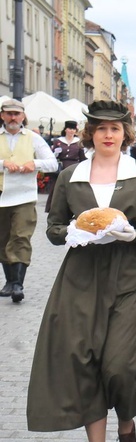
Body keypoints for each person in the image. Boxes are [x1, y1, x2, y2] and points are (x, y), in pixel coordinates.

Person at [26, 100, 136, 442]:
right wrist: (72, 230)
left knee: (119, 366)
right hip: (80, 276)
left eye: (115, 129)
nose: (108, 134)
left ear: (125, 134)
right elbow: (54, 228)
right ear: (91, 133)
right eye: (101, 128)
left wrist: (130, 235)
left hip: (129, 273)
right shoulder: (71, 174)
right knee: (84, 363)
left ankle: (127, 425)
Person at [0, 99, 57, 302]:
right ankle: (9, 280)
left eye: (17, 114)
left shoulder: (33, 138)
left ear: (23, 116)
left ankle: (18, 284)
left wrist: (35, 163)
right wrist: (2, 163)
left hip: (24, 196)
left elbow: (52, 164)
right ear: (2, 116)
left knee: (21, 237)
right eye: (9, 114)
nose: (13, 118)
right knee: (3, 240)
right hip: (1, 195)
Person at [45, 120, 88, 213]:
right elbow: (52, 156)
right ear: (65, 129)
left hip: (74, 167)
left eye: (73, 129)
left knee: (73, 188)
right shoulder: (58, 141)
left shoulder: (78, 142)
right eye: (69, 129)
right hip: (61, 167)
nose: (71, 131)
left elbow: (82, 157)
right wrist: (56, 153)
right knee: (57, 188)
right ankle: (54, 207)